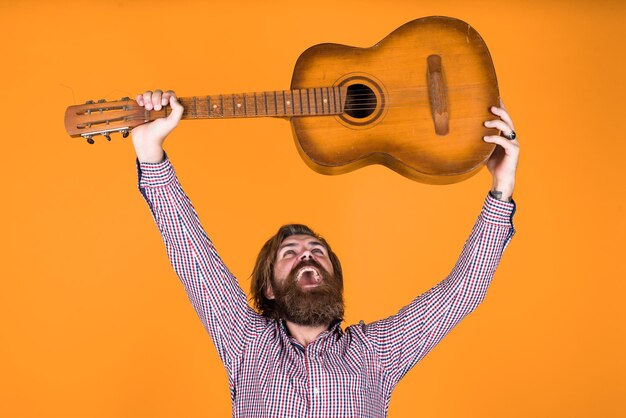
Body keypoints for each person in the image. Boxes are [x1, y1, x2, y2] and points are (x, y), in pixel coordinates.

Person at [132, 89, 519, 417]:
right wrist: (150, 153)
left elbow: (462, 292)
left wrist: (502, 185)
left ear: (334, 278)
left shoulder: (376, 352)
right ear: (269, 289)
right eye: (290, 253)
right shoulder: (245, 342)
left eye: (317, 251)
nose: (307, 255)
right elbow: (194, 258)